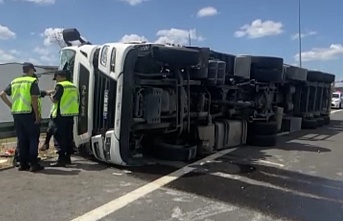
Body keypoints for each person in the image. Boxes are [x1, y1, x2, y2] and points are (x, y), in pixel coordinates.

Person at [0, 62, 44, 172]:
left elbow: (2, 94)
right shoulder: (32, 81)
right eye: (33, 70)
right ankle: (33, 164)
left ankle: (23, 164)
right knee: (33, 138)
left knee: (22, 139)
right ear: (30, 70)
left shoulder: (14, 81)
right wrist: (37, 115)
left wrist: (11, 106)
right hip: (29, 113)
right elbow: (34, 99)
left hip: (16, 114)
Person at [49, 70, 79, 166]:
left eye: (56, 78)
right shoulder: (74, 86)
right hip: (70, 115)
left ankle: (61, 159)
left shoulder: (60, 86)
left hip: (60, 115)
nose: (56, 80)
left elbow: (55, 100)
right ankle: (67, 158)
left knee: (58, 137)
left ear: (60, 76)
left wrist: (50, 95)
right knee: (68, 137)